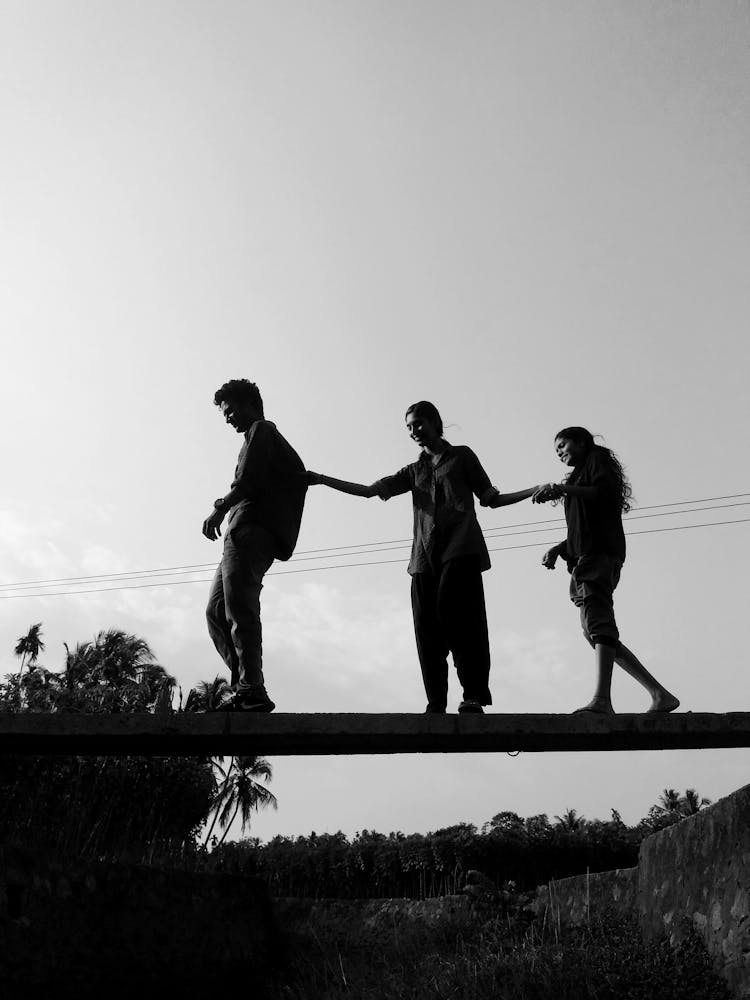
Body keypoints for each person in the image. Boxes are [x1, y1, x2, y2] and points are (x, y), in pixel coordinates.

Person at [307, 401, 539, 714]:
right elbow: (368, 491)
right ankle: (436, 704)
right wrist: (321, 479)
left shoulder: (462, 456)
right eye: (409, 427)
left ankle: (472, 696)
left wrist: (534, 490)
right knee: (426, 628)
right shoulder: (414, 471)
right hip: (423, 559)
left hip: (461, 549)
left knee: (459, 617)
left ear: (434, 422)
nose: (414, 431)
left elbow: (490, 499)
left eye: (418, 424)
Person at [533, 426, 679, 715]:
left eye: (563, 445)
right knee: (594, 632)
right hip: (587, 557)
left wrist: (561, 489)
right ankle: (659, 694)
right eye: (556, 449)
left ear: (583, 443)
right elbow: (585, 527)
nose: (559, 452)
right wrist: (560, 548)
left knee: (599, 627)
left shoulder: (596, 465)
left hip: (597, 557)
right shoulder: (578, 480)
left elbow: (602, 493)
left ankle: (602, 700)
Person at [202, 379, 307, 712]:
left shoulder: (263, 430)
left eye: (231, 411)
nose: (229, 419)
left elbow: (249, 480)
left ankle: (251, 688)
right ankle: (244, 689)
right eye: (225, 415)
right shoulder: (253, 437)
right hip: (240, 531)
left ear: (250, 404)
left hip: (251, 531)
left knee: (240, 608)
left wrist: (220, 507)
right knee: (217, 611)